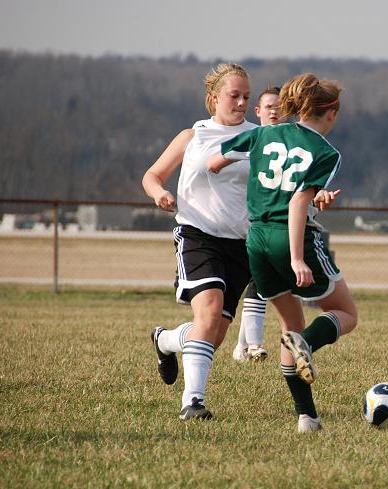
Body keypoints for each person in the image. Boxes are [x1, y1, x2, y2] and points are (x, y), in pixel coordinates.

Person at [142, 65, 337, 421]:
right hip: (197, 235)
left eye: (247, 97)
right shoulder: (193, 137)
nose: (243, 102)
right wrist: (159, 193)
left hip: (243, 244)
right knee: (210, 311)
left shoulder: (262, 135)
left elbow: (289, 182)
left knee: (212, 335)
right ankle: (193, 403)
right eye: (235, 95)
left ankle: (165, 341)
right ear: (215, 97)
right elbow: (152, 175)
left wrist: (318, 194)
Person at [208, 73, 357, 433]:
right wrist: (296, 258)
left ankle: (307, 417)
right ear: (331, 113)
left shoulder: (263, 133)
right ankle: (306, 344)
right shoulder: (326, 152)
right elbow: (296, 203)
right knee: (345, 313)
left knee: (291, 324)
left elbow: (214, 162)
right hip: (291, 239)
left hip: (255, 239)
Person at [232, 86, 281, 363]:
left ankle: (249, 346)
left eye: (279, 106)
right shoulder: (249, 140)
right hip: (235, 223)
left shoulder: (290, 144)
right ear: (258, 111)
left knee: (259, 281)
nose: (274, 110)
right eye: (269, 106)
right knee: (255, 283)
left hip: (267, 226)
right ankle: (247, 346)